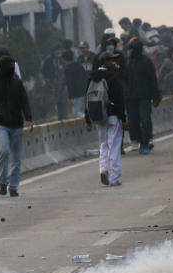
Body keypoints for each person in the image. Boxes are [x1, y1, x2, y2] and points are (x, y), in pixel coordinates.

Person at [0, 55, 34, 197]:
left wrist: (28, 118)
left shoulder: (18, 84)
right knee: (4, 151)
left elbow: (25, 102)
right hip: (1, 125)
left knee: (16, 158)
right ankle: (3, 182)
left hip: (17, 125)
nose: (11, 68)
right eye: (8, 65)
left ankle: (14, 187)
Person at [85, 53, 126, 186]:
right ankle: (114, 177)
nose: (114, 62)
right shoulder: (113, 76)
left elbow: (88, 99)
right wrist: (124, 118)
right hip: (113, 116)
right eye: (112, 60)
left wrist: (87, 119)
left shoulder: (93, 77)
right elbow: (119, 100)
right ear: (105, 62)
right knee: (114, 145)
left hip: (99, 116)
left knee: (103, 145)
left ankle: (103, 170)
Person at [125, 41, 161, 154]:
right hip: (131, 98)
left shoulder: (147, 62)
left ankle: (145, 143)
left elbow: (153, 80)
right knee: (133, 121)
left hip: (144, 97)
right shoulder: (128, 63)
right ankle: (140, 140)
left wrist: (156, 96)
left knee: (145, 120)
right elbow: (125, 81)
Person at [42, 45, 69, 120]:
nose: (58, 52)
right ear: (53, 51)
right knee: (52, 101)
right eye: (56, 50)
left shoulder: (64, 59)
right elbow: (44, 71)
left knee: (63, 101)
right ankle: (47, 116)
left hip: (63, 84)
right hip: (52, 84)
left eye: (59, 50)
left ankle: (63, 117)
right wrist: (47, 79)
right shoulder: (48, 60)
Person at [63, 50, 88, 118]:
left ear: (65, 59)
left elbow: (69, 84)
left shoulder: (68, 70)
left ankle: (88, 118)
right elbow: (86, 77)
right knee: (82, 110)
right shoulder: (79, 65)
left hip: (75, 94)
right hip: (84, 91)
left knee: (76, 112)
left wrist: (70, 97)